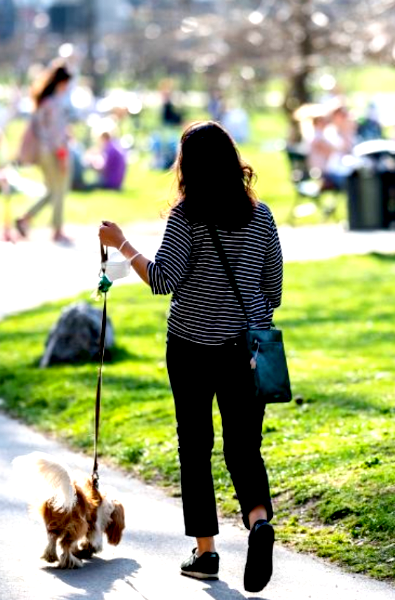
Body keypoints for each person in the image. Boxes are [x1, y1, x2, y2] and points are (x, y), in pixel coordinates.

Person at [99, 121, 282, 593]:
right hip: (245, 350)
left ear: (189, 167)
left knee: (195, 447)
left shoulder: (187, 216)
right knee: (244, 447)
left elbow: (163, 279)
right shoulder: (261, 217)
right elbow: (274, 290)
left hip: (190, 349)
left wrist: (122, 243)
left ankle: (206, 553)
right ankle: (259, 522)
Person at [15, 61, 73, 243]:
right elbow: (56, 135)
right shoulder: (54, 103)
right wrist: (62, 156)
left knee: (52, 191)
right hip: (54, 152)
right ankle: (57, 230)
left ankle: (25, 218)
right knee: (59, 190)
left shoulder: (43, 101)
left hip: (42, 151)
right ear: (61, 82)